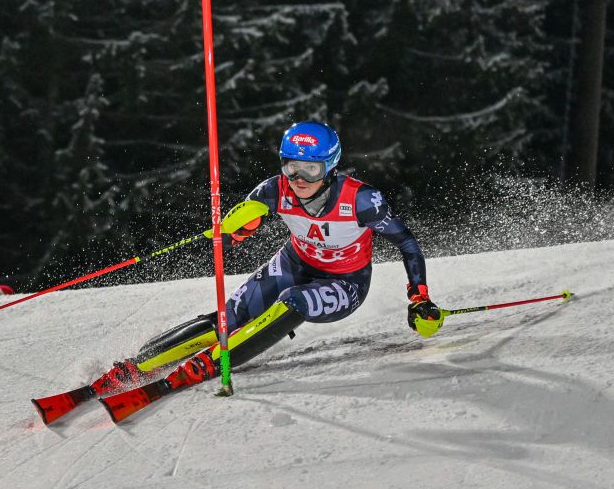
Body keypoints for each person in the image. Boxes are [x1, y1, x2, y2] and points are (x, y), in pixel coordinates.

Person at [93, 121, 440, 399]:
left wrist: (419, 297)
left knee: (294, 301)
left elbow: (406, 242)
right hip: (294, 264)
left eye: (311, 170)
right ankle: (137, 366)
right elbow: (245, 219)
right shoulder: (275, 189)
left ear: (330, 167)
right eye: (291, 167)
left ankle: (208, 365)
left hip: (344, 282)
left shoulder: (362, 201)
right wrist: (238, 226)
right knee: (231, 316)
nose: (299, 179)